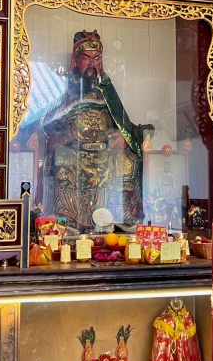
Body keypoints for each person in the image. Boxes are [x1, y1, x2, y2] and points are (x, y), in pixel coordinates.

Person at [42, 30, 148, 230]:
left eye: (96, 58)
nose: (92, 63)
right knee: (62, 159)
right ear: (76, 60)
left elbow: (124, 122)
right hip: (75, 149)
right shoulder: (65, 88)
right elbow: (47, 123)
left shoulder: (107, 88)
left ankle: (121, 213)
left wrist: (123, 137)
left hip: (105, 147)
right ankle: (67, 218)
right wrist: (65, 135)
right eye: (86, 58)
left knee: (128, 160)